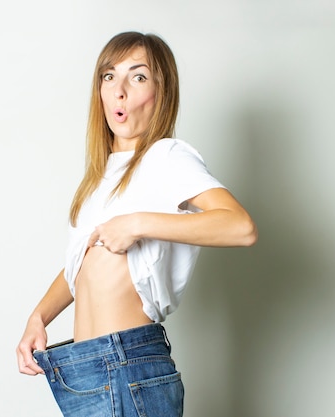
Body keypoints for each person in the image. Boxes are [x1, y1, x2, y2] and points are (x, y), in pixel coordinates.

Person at [16, 31, 257, 417]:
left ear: (162, 92)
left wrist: (138, 224)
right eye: (109, 76)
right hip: (81, 367)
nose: (120, 91)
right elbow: (80, 267)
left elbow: (240, 227)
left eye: (138, 76)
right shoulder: (97, 179)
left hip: (127, 364)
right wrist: (38, 317)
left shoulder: (167, 157)